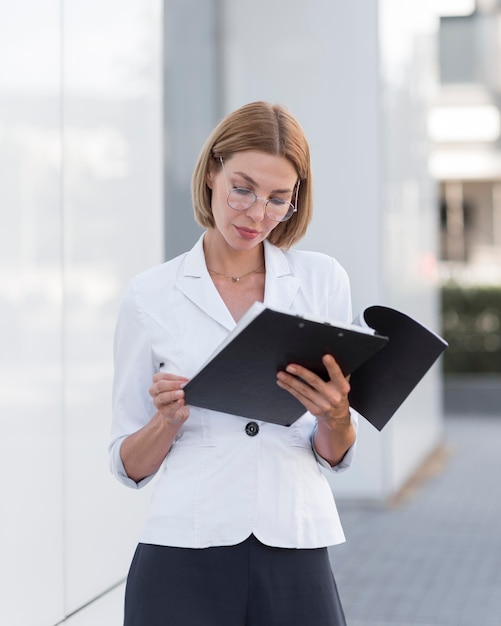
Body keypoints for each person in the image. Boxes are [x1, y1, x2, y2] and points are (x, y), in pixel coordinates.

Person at [109, 100, 358, 626]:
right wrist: (166, 421)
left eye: (277, 199)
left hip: (294, 542)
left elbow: (330, 454)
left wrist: (337, 417)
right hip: (183, 550)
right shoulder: (150, 295)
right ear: (211, 173)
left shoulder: (322, 281)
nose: (256, 213)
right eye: (242, 188)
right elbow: (128, 465)